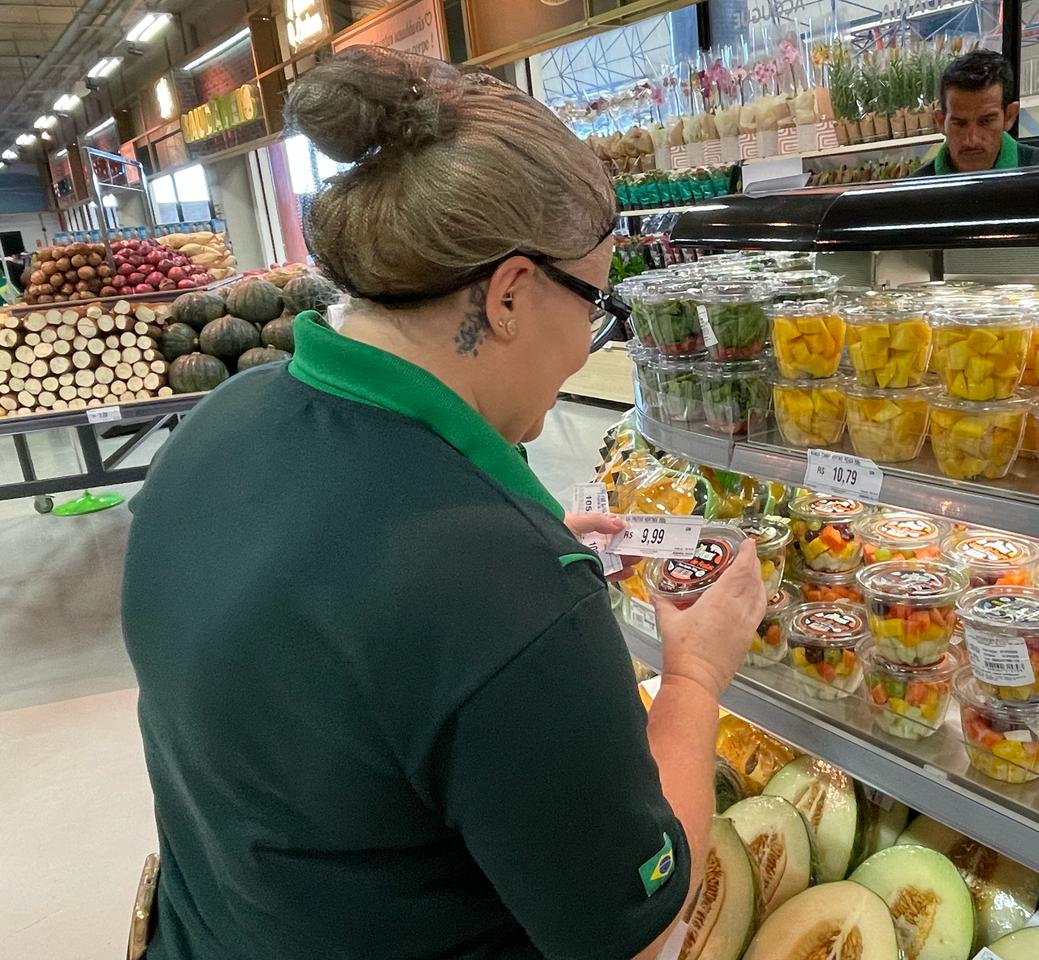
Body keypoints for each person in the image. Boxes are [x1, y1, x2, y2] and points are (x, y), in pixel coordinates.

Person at [121, 45, 766, 960]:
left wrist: (510, 576)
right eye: (595, 299)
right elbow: (636, 928)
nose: (590, 341)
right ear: (510, 294)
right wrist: (695, 671)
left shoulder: (225, 419)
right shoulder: (497, 589)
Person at [912, 48, 1039, 176]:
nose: (972, 140)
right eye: (959, 123)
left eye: (986, 121)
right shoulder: (910, 195)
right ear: (940, 121)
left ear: (1010, 116)